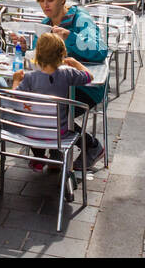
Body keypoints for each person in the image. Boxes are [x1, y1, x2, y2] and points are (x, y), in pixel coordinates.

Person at [33, 0, 107, 164]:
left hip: (86, 85)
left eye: (50, 0)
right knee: (29, 103)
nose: (45, 5)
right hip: (55, 85)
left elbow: (99, 51)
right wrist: (27, 45)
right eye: (41, 0)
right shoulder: (45, 23)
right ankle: (51, 150)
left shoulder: (80, 18)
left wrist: (70, 37)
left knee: (48, 109)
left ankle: (90, 145)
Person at [11, 32, 92, 172]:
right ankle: (55, 158)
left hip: (32, 133)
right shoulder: (68, 74)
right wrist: (76, 63)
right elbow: (89, 76)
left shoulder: (30, 77)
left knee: (33, 122)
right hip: (59, 133)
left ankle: (38, 158)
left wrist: (16, 80)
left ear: (38, 55)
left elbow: (15, 99)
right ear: (62, 54)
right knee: (59, 122)